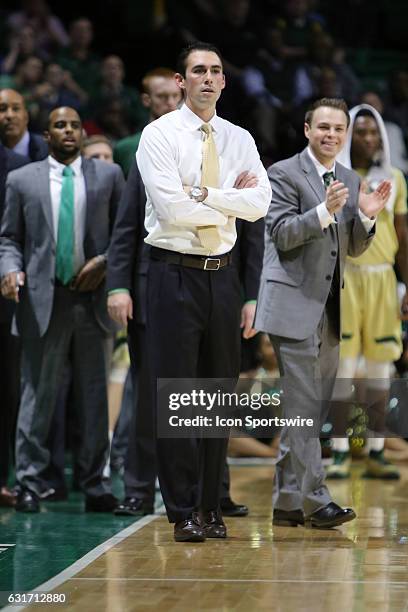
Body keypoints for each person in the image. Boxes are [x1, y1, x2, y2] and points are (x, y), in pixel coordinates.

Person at [134, 42, 270, 542]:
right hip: (173, 273)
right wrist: (227, 201)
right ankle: (183, 508)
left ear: (224, 81)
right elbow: (171, 210)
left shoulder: (238, 137)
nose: (208, 78)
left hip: (224, 274)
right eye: (198, 71)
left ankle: (212, 506)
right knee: (178, 395)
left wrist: (205, 195)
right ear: (181, 80)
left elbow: (259, 203)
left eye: (216, 70)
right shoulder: (159, 135)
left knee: (218, 394)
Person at [255, 97, 391, 529]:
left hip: (330, 310)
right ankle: (317, 502)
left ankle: (287, 502)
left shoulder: (348, 177)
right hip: (292, 304)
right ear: (308, 129)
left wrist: (366, 220)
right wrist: (323, 211)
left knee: (308, 410)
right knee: (303, 404)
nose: (331, 135)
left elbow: (349, 247)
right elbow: (280, 234)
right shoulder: (283, 173)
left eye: (338, 129)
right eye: (324, 127)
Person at [107, 158, 263, 518]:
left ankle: (215, 492)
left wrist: (252, 294)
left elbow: (253, 232)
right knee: (154, 397)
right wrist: (118, 285)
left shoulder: (226, 150)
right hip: (155, 291)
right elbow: (126, 227)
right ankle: (139, 489)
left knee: (213, 395)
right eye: (162, 96)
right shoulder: (151, 154)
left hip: (219, 283)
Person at [0, 106, 124, 513]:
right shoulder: (22, 179)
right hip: (42, 298)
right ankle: (30, 483)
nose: (68, 131)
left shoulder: (108, 175)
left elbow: (124, 233)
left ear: (82, 133)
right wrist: (11, 270)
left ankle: (94, 483)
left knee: (93, 396)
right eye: (59, 125)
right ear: (47, 133)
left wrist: (105, 262)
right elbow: (9, 238)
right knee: (37, 394)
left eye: (74, 125)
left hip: (92, 298)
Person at [327, 104, 408, 480]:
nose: (368, 138)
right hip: (345, 275)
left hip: (381, 278)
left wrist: (406, 285)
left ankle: (376, 448)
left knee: (380, 367)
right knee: (342, 366)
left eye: (374, 132)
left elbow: (404, 237)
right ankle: (340, 450)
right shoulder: (334, 176)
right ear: (348, 137)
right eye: (360, 132)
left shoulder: (393, 177)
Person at [0, 143, 29, 507]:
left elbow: (14, 234)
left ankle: (2, 477)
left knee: (7, 389)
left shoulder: (18, 166)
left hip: (5, 293)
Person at [113, 68, 182, 177]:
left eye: (176, 95)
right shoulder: (125, 148)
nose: (171, 102)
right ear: (146, 100)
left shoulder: (194, 142)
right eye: (162, 96)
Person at [0, 88, 48, 161]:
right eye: (2, 109)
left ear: (26, 116)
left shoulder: (49, 149)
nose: (10, 115)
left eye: (16, 109)